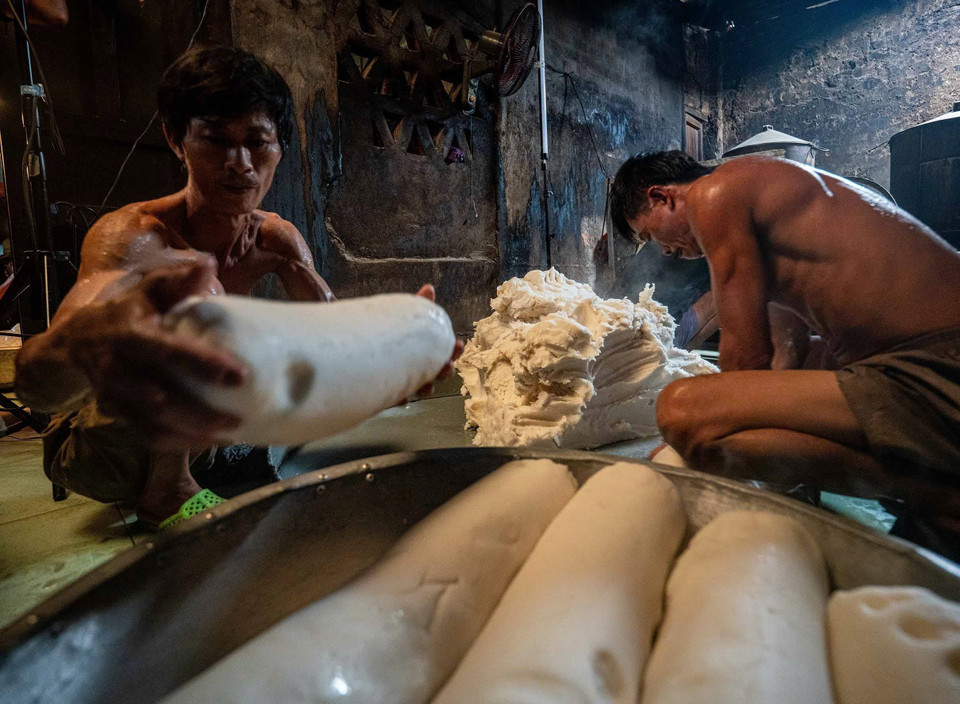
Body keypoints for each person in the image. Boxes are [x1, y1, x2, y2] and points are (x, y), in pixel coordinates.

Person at [15, 46, 456, 528]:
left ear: (278, 148)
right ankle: (169, 490)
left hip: (198, 428)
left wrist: (389, 366)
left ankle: (206, 462)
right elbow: (37, 386)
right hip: (95, 442)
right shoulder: (134, 238)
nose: (240, 162)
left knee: (273, 374)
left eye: (256, 141)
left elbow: (334, 331)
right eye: (216, 140)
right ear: (176, 139)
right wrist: (84, 344)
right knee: (206, 312)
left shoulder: (276, 238)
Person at [611, 150, 960, 542]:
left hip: (939, 366)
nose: (664, 250)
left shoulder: (713, 194)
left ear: (662, 197)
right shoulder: (765, 201)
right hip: (926, 357)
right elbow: (784, 350)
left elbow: (745, 358)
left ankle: (931, 490)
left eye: (648, 234)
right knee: (802, 360)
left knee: (680, 410)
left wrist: (696, 433)